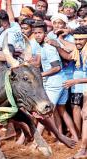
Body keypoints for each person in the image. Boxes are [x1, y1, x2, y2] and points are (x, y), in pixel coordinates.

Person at [32, 21, 79, 142]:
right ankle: (74, 137)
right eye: (35, 33)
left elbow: (56, 68)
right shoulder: (43, 46)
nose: (37, 35)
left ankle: (37, 143)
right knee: (61, 111)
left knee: (45, 113)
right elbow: (38, 63)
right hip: (59, 81)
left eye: (39, 33)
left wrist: (40, 74)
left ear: (45, 33)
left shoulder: (48, 47)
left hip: (55, 83)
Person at [57, 26, 87, 159]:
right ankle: (83, 148)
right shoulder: (79, 50)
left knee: (85, 115)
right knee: (84, 115)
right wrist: (60, 39)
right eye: (76, 40)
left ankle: (83, 149)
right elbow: (68, 50)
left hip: (82, 87)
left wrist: (75, 81)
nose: (78, 42)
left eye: (81, 39)